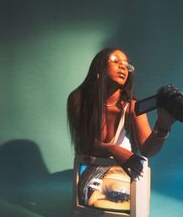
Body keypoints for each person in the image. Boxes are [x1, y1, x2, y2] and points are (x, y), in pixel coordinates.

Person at [67, 47, 177, 180]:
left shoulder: (131, 106)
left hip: (120, 175)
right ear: (99, 67)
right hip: (89, 172)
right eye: (115, 61)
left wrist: (163, 125)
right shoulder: (78, 99)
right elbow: (85, 143)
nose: (123, 67)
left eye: (126, 65)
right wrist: (112, 149)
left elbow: (147, 150)